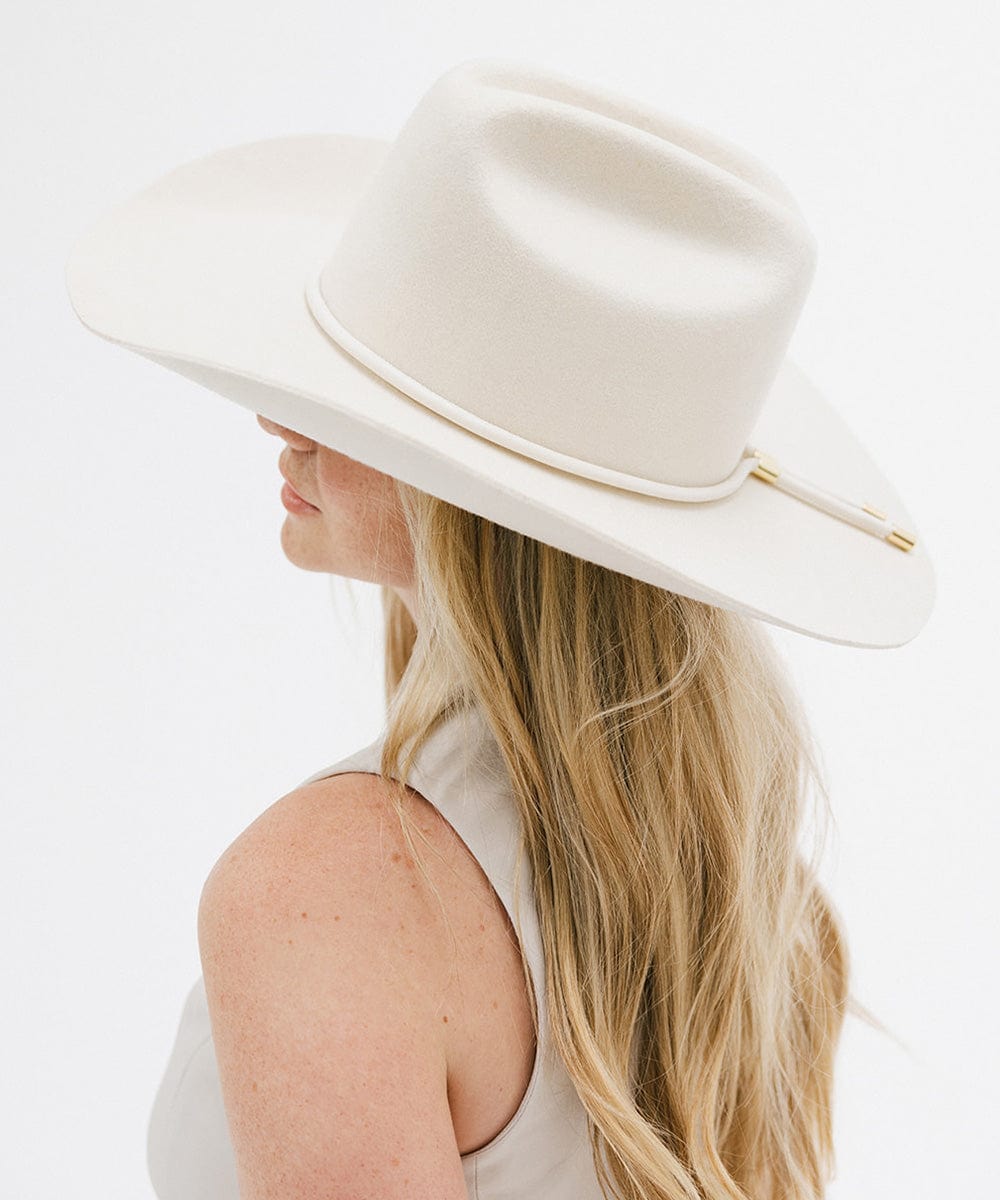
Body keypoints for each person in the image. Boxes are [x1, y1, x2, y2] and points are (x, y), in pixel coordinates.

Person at [65, 56, 935, 1200]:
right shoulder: (748, 907)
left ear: (477, 507)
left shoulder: (330, 888)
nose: (278, 417)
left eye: (357, 402)